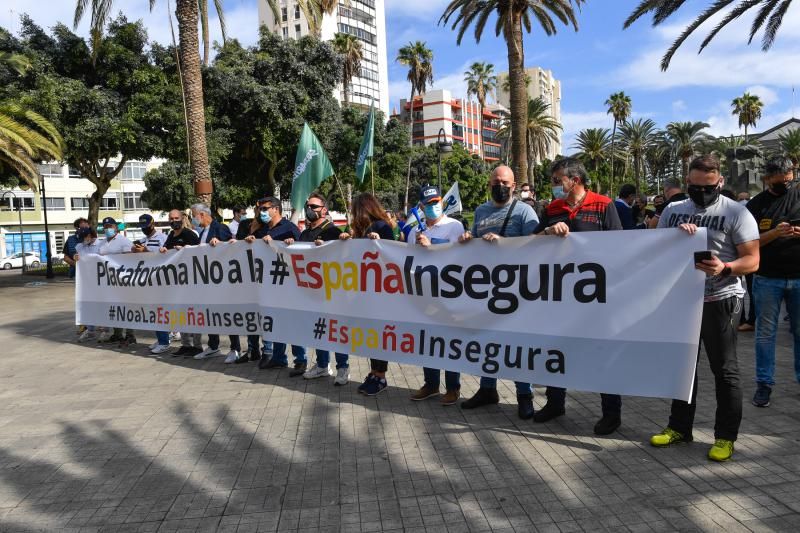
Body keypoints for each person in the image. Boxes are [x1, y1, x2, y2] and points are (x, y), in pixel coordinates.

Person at [651, 155, 759, 462]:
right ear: (687, 182)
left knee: (724, 369)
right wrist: (673, 236)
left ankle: (725, 436)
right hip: (681, 300)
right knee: (683, 366)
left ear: (720, 182)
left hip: (721, 298)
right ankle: (679, 427)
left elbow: (752, 259)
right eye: (695, 187)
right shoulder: (673, 210)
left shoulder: (736, 212)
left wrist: (725, 268)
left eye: (709, 187)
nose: (702, 193)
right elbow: (653, 248)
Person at [532, 158, 625, 435]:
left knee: (603, 352)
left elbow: (620, 245)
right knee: (556, 349)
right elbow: (531, 243)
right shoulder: (552, 208)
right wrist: (548, 231)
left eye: (558, 179)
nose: (554, 185)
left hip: (596, 296)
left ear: (576, 179)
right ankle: (555, 403)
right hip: (560, 294)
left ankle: (611, 413)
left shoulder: (603, 204)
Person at [458, 165, 539, 419]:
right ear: (489, 184)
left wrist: (504, 245)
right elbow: (478, 248)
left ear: (513, 186)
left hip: (515, 290)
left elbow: (537, 247)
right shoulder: (481, 211)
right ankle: (487, 389)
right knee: (488, 340)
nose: (500, 185)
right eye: (496, 181)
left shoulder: (525, 212)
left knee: (517, 343)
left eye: (505, 182)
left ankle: (524, 395)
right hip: (486, 289)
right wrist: (468, 238)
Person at [744, 156, 800, 407]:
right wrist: (775, 233)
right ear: (767, 179)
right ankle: (764, 384)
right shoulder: (756, 205)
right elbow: (749, 242)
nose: (785, 186)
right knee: (765, 334)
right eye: (779, 183)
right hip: (767, 278)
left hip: (798, 278)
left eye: (789, 181)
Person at [407, 185, 466, 406]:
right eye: (429, 204)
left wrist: (432, 246)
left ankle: (453, 387)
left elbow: (461, 257)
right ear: (421, 207)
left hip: (450, 294)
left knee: (450, 341)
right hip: (425, 294)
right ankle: (431, 384)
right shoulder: (415, 231)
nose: (434, 207)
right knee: (428, 340)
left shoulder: (454, 226)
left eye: (436, 202)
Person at [285, 193, 350, 385]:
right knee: (319, 329)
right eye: (308, 206)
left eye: (314, 206)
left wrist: (339, 243)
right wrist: (290, 245)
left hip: (332, 291)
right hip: (310, 292)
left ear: (324, 209)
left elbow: (345, 258)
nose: (309, 210)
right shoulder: (304, 234)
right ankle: (322, 365)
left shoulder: (333, 232)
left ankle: (343, 367)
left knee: (335, 330)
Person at [339, 193, 395, 395]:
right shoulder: (360, 231)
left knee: (379, 335)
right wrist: (347, 240)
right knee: (371, 335)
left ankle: (381, 376)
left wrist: (380, 242)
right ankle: (373, 371)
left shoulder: (382, 227)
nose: (354, 214)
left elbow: (392, 255)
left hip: (381, 292)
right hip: (365, 291)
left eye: (356, 210)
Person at [244, 197, 306, 374]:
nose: (261, 212)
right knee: (275, 322)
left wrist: (292, 245)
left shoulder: (290, 228)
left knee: (292, 323)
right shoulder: (262, 230)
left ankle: (300, 360)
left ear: (276, 209)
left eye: (265, 208)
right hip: (270, 286)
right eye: (260, 209)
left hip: (290, 284)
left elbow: (304, 252)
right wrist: (248, 241)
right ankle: (278, 358)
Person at [190, 203, 234, 361]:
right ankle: (213, 346)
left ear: (201, 215)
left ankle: (235, 348)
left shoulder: (220, 228)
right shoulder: (202, 232)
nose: (192, 219)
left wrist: (220, 243)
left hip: (222, 280)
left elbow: (233, 249)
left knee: (227, 315)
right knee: (210, 314)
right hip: (207, 281)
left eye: (193, 215)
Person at [160, 209, 203, 357]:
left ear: (182, 218)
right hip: (176, 283)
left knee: (194, 314)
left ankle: (197, 346)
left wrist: (186, 249)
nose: (174, 221)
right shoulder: (171, 235)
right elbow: (166, 250)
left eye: (176, 218)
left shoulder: (189, 234)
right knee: (180, 314)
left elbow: (200, 252)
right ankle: (186, 344)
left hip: (191, 282)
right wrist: (164, 250)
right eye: (171, 218)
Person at [130, 214, 170, 354]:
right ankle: (160, 339)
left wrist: (145, 251)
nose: (144, 229)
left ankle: (165, 341)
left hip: (160, 280)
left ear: (152, 224)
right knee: (153, 311)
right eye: (141, 227)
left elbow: (167, 256)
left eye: (146, 226)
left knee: (160, 311)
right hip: (147, 280)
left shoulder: (163, 237)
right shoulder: (142, 240)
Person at [98, 217, 136, 346]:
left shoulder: (123, 240)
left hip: (123, 279)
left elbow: (130, 258)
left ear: (116, 227)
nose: (108, 228)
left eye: (111, 226)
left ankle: (130, 335)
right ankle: (117, 334)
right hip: (109, 280)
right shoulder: (102, 242)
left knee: (126, 307)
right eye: (106, 226)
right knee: (114, 307)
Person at [74, 227, 102, 343]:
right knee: (87, 305)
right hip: (86, 281)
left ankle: (106, 329)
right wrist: (75, 258)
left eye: (85, 238)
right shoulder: (80, 246)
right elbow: (77, 258)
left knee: (102, 304)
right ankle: (90, 330)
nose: (83, 241)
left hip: (100, 280)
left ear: (91, 235)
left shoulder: (101, 245)